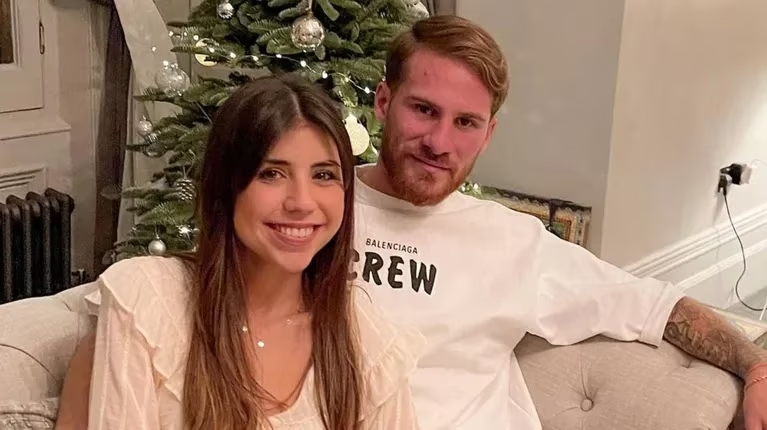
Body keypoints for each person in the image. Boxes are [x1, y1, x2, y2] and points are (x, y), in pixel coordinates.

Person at [58, 14, 767, 430]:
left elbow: (654, 306)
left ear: (487, 134)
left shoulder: (513, 242)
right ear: (383, 102)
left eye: (466, 123)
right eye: (423, 110)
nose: (439, 142)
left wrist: (756, 366)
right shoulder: (309, 219)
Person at [57, 74, 425, 430]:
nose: (301, 202)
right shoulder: (150, 303)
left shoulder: (365, 339)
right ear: (225, 187)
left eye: (324, 175)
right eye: (271, 174)